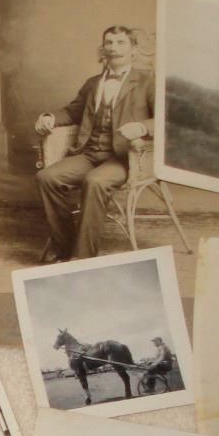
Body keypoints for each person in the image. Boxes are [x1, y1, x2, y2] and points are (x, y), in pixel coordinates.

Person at [31, 25, 154, 262]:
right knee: (47, 177)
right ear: (103, 48)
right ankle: (63, 247)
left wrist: (142, 127)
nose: (114, 48)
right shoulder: (93, 83)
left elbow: (165, 120)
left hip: (124, 157)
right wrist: (50, 118)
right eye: (109, 42)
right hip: (89, 153)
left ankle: (82, 258)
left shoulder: (147, 82)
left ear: (133, 49)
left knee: (95, 181)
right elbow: (72, 112)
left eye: (121, 43)